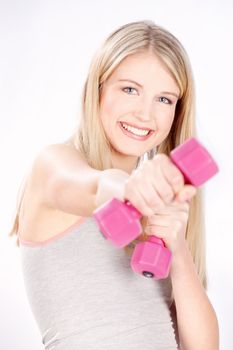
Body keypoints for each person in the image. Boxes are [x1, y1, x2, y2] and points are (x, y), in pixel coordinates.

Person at [9, 20, 219, 349]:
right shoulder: (52, 165)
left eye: (164, 99)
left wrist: (177, 251)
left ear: (177, 113)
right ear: (98, 88)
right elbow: (94, 187)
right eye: (130, 89)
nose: (145, 114)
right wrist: (129, 189)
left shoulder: (166, 206)